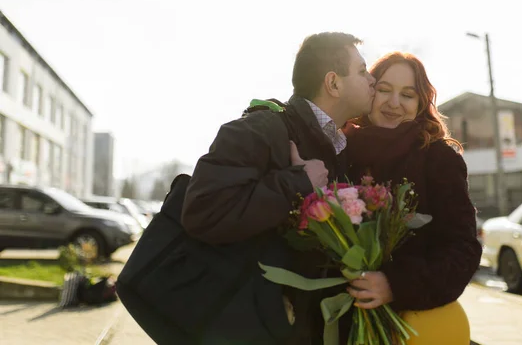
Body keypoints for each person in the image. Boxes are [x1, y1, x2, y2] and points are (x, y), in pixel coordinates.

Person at [181, 32, 375, 344]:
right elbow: (203, 211)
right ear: (334, 83)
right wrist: (298, 182)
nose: (373, 80)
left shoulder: (337, 146)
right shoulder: (265, 128)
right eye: (363, 71)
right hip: (253, 329)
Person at [343, 51, 482, 344]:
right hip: (342, 321)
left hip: (414, 325)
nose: (394, 103)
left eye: (407, 94)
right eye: (384, 90)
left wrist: (395, 285)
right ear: (369, 92)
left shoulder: (437, 158)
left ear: (420, 104)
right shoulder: (341, 151)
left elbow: (463, 249)